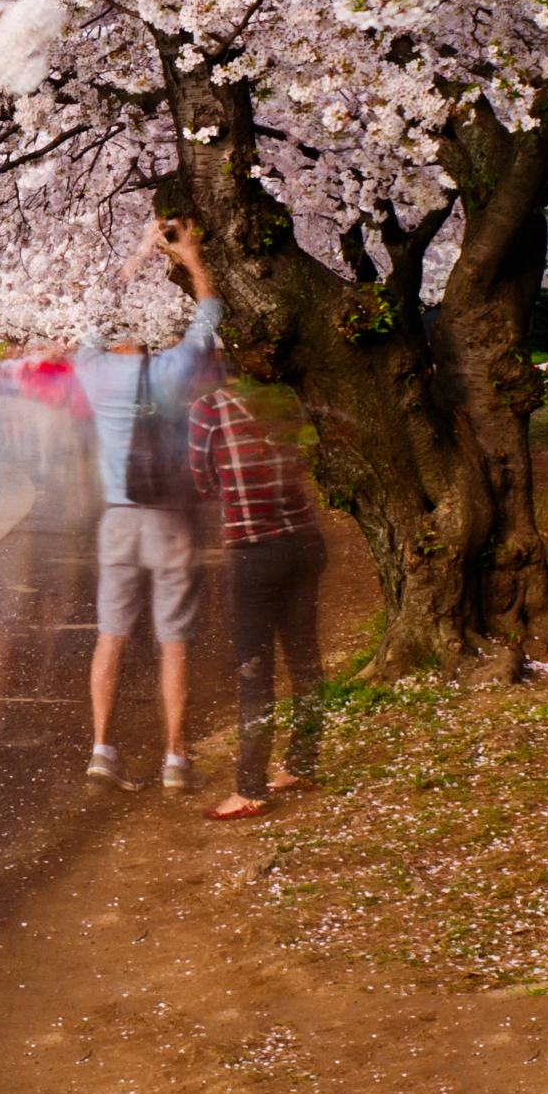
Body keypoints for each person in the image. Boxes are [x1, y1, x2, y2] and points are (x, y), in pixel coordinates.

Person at [75, 219, 223, 792]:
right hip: (171, 522)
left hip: (118, 519)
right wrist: (190, 257)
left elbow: (99, 306)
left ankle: (102, 749)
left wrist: (138, 254)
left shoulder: (95, 371)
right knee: (173, 640)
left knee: (111, 635)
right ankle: (175, 760)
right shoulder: (172, 371)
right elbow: (209, 315)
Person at [190, 375, 326, 821]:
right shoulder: (286, 399)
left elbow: (204, 482)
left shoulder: (210, 410)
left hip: (254, 552)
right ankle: (302, 764)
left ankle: (250, 788)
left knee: (255, 671)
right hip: (305, 541)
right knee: (304, 659)